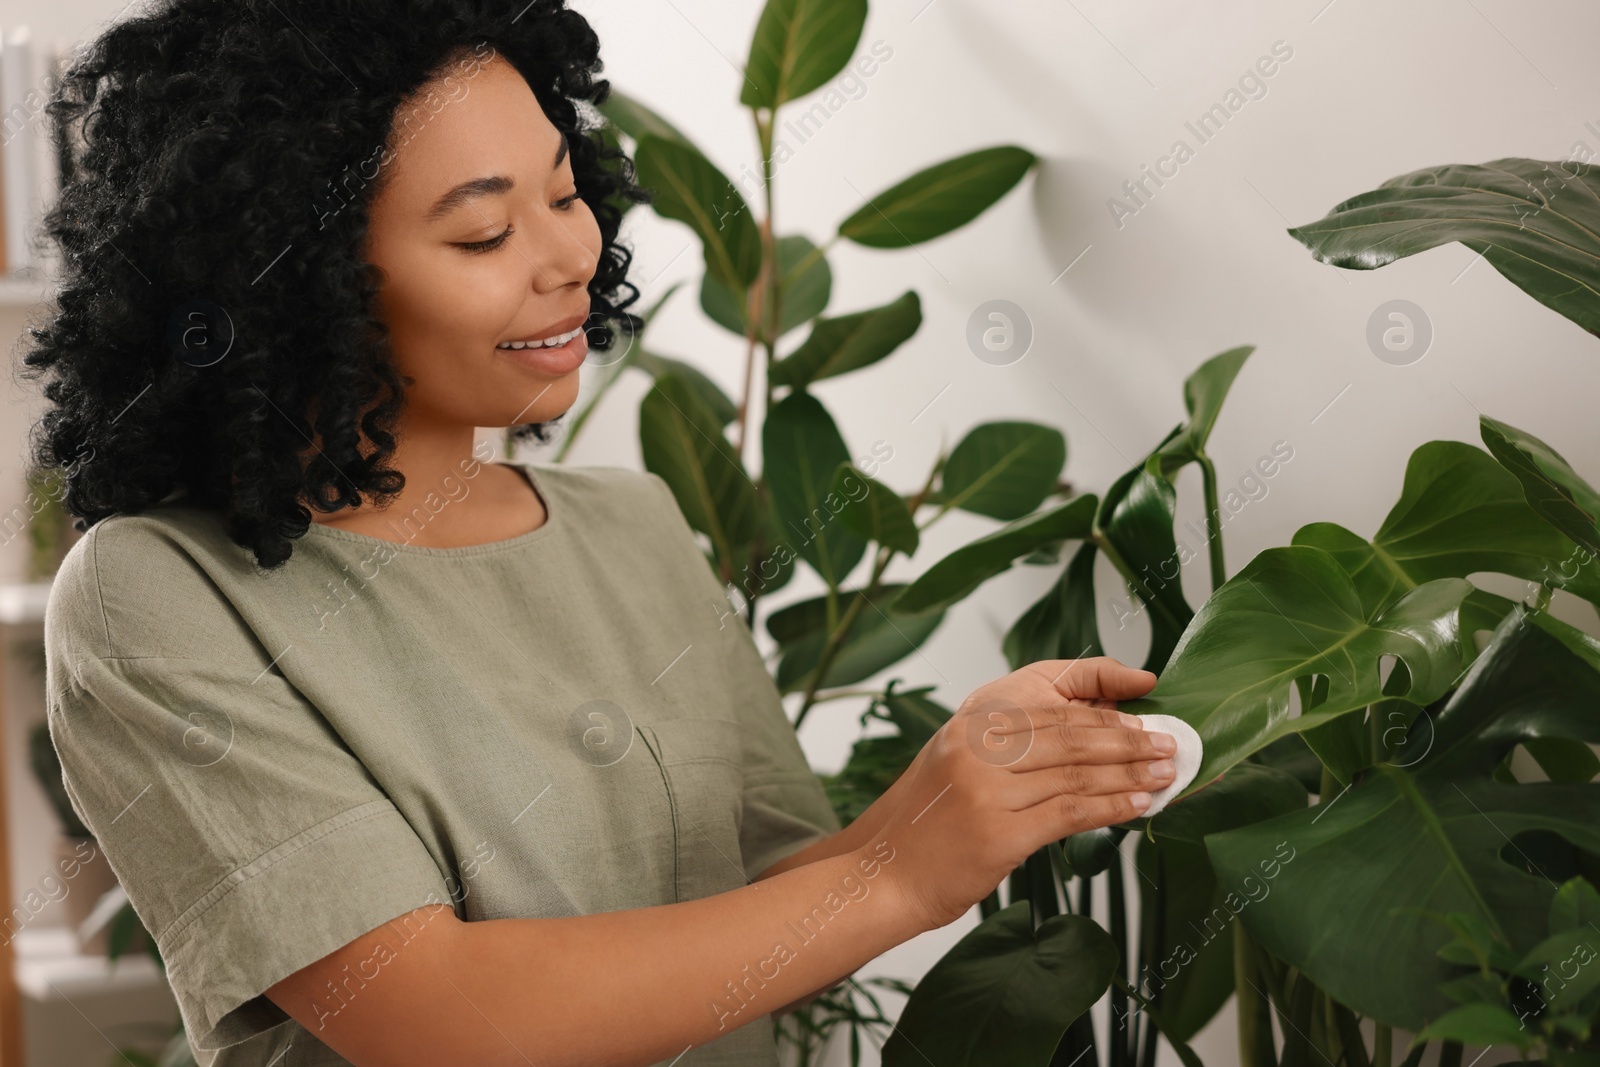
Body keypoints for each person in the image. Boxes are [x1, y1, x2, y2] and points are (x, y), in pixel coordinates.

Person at [26, 1, 1180, 1064]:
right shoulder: (157, 593)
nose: (572, 255)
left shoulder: (632, 523)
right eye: (483, 234)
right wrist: (895, 873)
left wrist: (948, 788)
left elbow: (768, 889)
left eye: (565, 193)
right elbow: (427, 1008)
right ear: (294, 280)